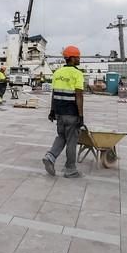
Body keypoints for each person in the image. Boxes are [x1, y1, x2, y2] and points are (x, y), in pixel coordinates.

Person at [42, 45, 84, 178]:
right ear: (71, 58)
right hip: (72, 113)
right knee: (72, 141)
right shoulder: (77, 74)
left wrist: (52, 111)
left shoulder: (57, 73)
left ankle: (50, 157)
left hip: (59, 113)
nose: (79, 59)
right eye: (77, 57)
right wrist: (81, 115)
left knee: (61, 137)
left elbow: (54, 94)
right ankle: (70, 169)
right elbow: (79, 96)